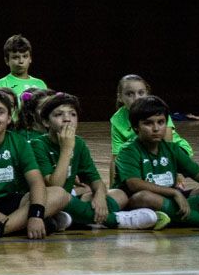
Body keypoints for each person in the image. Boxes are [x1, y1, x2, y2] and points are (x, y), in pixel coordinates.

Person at [35, 92, 165, 232]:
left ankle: (75, 218)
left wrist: (100, 196)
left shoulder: (79, 143)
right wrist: (66, 149)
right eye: (59, 115)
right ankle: (117, 220)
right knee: (59, 195)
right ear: (46, 122)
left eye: (73, 114)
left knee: (118, 194)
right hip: (46, 199)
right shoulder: (37, 145)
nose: (67, 119)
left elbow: (96, 180)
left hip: (69, 198)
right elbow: (56, 185)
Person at [116, 96, 199, 228]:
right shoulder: (128, 151)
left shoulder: (172, 149)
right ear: (135, 127)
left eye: (161, 122)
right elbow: (134, 184)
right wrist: (174, 193)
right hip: (139, 203)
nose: (156, 128)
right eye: (148, 123)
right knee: (144, 197)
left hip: (168, 198)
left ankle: (172, 216)